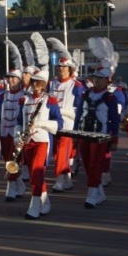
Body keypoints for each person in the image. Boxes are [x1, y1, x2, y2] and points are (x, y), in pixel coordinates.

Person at [74, 65, 120, 208]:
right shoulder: (85, 94)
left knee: (95, 164)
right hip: (84, 134)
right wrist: (75, 133)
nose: (97, 81)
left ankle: (92, 195)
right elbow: (79, 114)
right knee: (87, 164)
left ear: (107, 81)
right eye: (95, 78)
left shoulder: (110, 98)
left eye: (101, 79)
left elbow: (114, 120)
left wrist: (114, 139)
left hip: (101, 136)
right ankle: (99, 193)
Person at [19, 69, 63, 219]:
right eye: (34, 81)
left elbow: (59, 123)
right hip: (27, 142)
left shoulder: (50, 100)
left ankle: (35, 207)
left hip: (42, 141)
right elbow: (20, 122)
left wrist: (41, 123)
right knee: (33, 175)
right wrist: (16, 135)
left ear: (44, 84)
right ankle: (45, 202)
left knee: (37, 173)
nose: (36, 84)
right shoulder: (24, 100)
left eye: (39, 82)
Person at [47, 53, 83, 192]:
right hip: (53, 124)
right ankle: (67, 179)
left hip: (68, 124)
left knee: (62, 153)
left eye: (64, 67)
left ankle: (59, 181)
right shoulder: (52, 83)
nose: (61, 70)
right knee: (56, 153)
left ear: (70, 69)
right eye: (59, 67)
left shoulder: (76, 85)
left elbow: (79, 107)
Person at [0, 66, 26, 201]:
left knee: (12, 160)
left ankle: (11, 189)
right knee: (7, 160)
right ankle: (20, 185)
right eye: (9, 78)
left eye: (13, 78)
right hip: (4, 132)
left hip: (17, 133)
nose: (10, 80)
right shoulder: (3, 95)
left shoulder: (24, 96)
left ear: (19, 80)